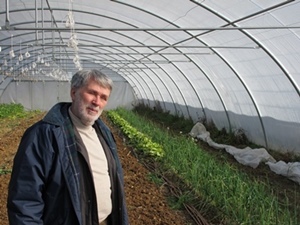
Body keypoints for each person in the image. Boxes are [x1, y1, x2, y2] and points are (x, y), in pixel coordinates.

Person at [7, 69, 129, 225]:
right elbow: (25, 199)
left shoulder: (104, 133)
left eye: (103, 98)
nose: (97, 102)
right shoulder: (43, 135)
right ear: (73, 92)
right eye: (92, 93)